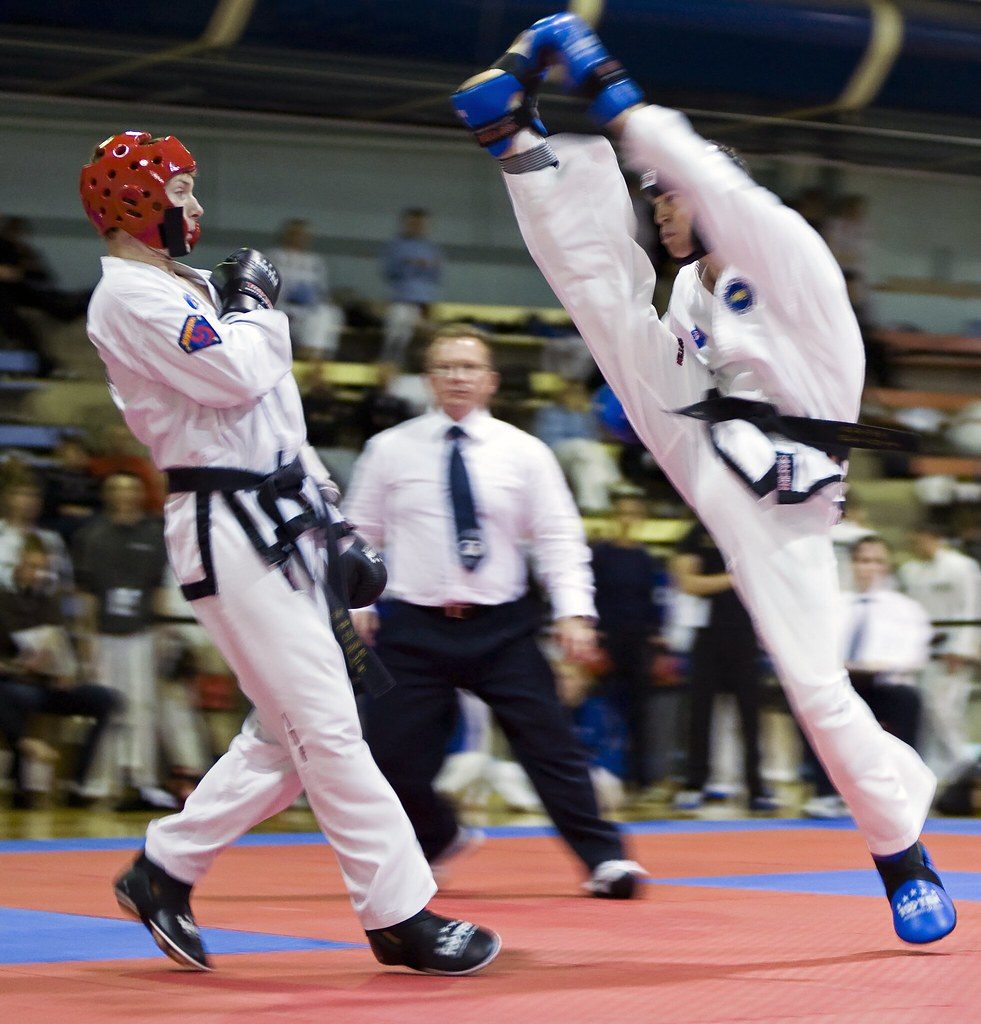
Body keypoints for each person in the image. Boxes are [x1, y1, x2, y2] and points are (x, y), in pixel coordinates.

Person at [450, 12, 956, 943]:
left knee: (812, 686)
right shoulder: (687, 285)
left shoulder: (787, 250)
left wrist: (609, 87)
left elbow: (716, 184)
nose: (661, 210)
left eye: (666, 196)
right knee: (609, 306)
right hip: (706, 439)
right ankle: (514, 144)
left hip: (789, 484)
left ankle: (901, 859)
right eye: (651, 196)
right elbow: (667, 352)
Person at [78, 130, 499, 975]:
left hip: (281, 513)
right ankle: (399, 916)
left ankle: (163, 871)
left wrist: (335, 521)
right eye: (182, 192)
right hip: (224, 523)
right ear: (136, 204)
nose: (195, 208)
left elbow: (274, 411)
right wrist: (258, 305)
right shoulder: (127, 297)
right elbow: (236, 373)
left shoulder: (186, 284)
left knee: (284, 737)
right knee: (329, 727)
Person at [343, 324, 645, 899]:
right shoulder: (389, 449)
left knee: (551, 747)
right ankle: (439, 835)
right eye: (446, 367)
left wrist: (575, 613)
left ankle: (605, 859)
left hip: (502, 625)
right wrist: (357, 601)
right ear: (429, 380)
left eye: (470, 367)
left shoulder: (524, 452)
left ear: (491, 381)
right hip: (412, 625)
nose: (458, 376)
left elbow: (559, 538)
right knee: (387, 758)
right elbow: (357, 535)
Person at [803, 536, 930, 819]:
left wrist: (876, 665)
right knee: (814, 702)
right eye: (863, 560)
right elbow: (817, 648)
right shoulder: (833, 605)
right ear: (853, 564)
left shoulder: (905, 609)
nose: (869, 568)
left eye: (876, 561)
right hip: (844, 686)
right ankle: (826, 793)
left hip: (886, 685)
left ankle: (902, 790)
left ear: (887, 567)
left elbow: (913, 656)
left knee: (909, 699)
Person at [73, 472, 174, 811]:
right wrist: (84, 637)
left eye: (131, 489)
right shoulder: (91, 535)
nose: (124, 495)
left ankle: (141, 781)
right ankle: (102, 781)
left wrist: (161, 633)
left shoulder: (154, 533)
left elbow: (159, 587)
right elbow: (83, 592)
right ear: (106, 494)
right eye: (116, 489)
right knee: (108, 706)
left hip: (142, 633)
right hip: (104, 634)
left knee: (143, 707)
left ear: (140, 494)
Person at [0, 535, 119, 808]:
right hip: (15, 681)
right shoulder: (3, 601)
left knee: (106, 700)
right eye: (31, 567)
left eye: (42, 568)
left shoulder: (51, 601)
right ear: (18, 565)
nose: (37, 574)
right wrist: (19, 665)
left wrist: (68, 670)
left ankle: (77, 783)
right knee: (13, 696)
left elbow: (63, 645)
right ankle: (23, 771)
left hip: (50, 683)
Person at [670, 519, 777, 812]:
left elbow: (769, 579)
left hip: (746, 635)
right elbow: (688, 582)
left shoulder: (751, 529)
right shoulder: (698, 531)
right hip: (707, 635)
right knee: (700, 712)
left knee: (751, 716)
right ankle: (694, 784)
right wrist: (735, 578)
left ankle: (756, 787)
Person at [589, 491, 664, 792]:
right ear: (613, 517)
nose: (627, 520)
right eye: (622, 514)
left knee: (639, 711)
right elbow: (592, 596)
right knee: (607, 707)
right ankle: (607, 769)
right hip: (608, 638)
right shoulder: (601, 555)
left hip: (638, 642)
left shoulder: (645, 559)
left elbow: (653, 602)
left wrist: (656, 642)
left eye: (633, 514)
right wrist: (595, 638)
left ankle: (640, 776)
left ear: (641, 519)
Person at [898, 521, 981, 789]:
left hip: (952, 652)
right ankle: (940, 774)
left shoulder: (961, 566)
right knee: (928, 712)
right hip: (923, 651)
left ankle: (966, 765)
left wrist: (962, 648)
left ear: (934, 537)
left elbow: (971, 606)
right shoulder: (911, 570)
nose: (916, 545)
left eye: (919, 539)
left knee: (946, 711)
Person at [268, 218, 345, 360]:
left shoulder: (315, 261)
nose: (300, 238)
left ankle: (314, 361)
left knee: (328, 313)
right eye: (296, 234)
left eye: (304, 235)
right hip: (280, 309)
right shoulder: (273, 256)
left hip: (307, 312)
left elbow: (322, 291)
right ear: (287, 235)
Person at [378, 208, 443, 366]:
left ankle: (424, 365)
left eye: (421, 224)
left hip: (425, 301)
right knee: (399, 328)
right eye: (414, 223)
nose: (418, 227)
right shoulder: (396, 246)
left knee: (430, 335)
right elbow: (388, 271)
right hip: (403, 298)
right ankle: (392, 362)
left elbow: (437, 275)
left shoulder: (431, 248)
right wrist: (408, 263)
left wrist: (429, 265)